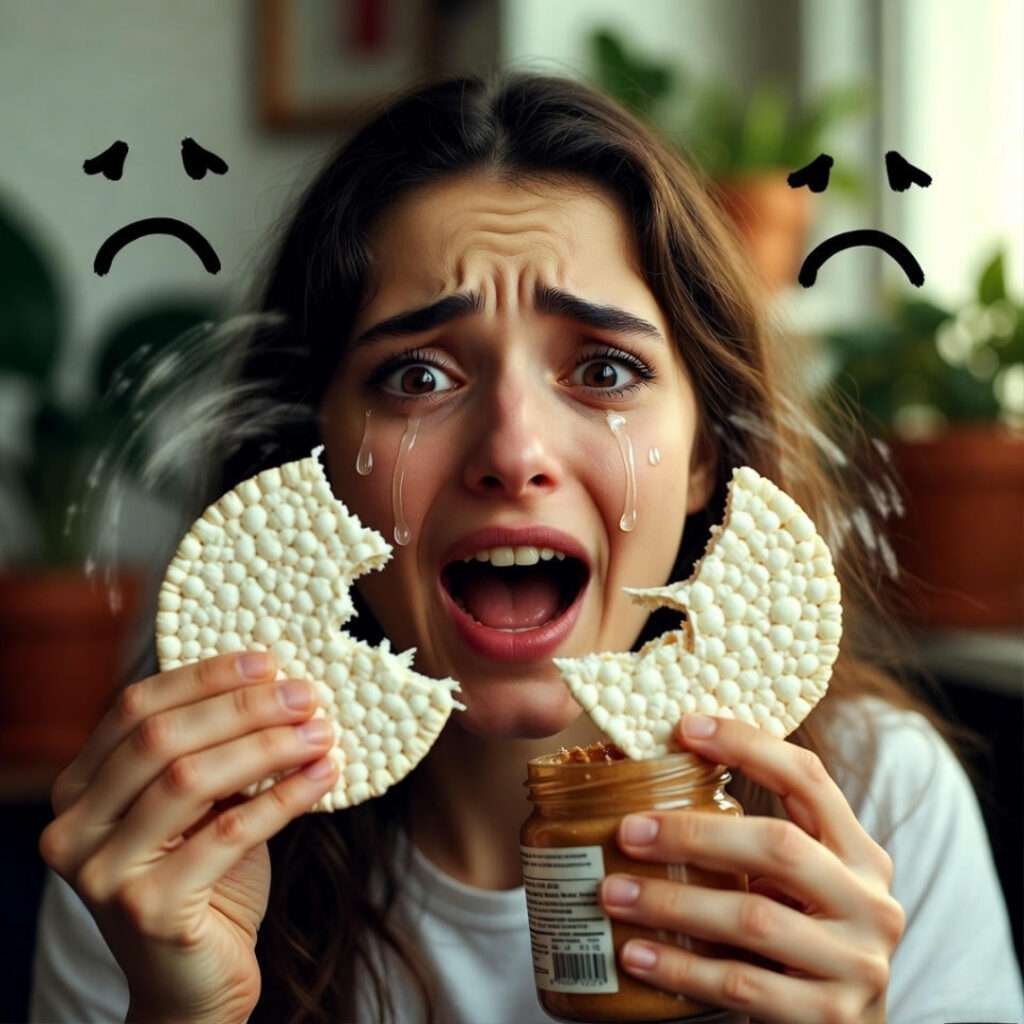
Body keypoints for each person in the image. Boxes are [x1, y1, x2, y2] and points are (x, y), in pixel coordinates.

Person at [31, 70, 1023, 1024]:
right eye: (417, 377)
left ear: (699, 461)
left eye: (602, 368)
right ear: (314, 459)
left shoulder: (875, 800)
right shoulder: (161, 844)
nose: (513, 453)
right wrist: (178, 1011)